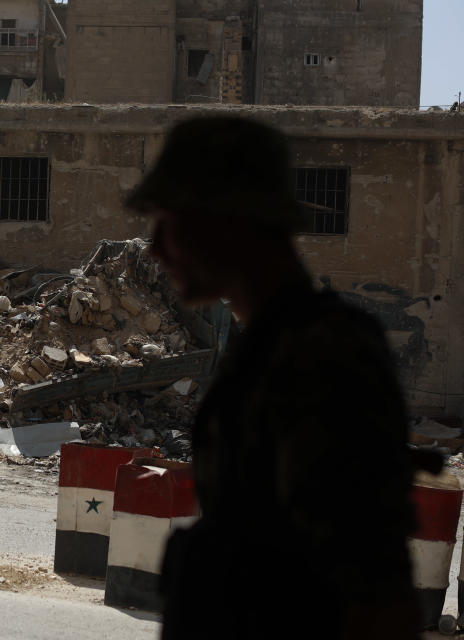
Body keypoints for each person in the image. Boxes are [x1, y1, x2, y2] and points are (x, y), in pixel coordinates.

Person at [125, 117, 420, 639]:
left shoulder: (322, 356)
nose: (153, 249)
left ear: (226, 223)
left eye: (168, 225)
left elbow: (372, 587)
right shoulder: (266, 349)